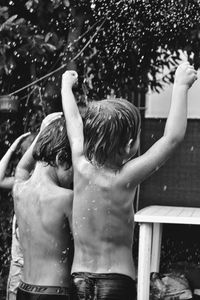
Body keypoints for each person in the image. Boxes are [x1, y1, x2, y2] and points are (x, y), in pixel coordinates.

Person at [61, 62, 197, 300]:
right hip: (116, 282)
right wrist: (180, 86)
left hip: (78, 280)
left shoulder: (80, 164)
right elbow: (172, 139)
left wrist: (65, 88)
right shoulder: (124, 177)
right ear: (127, 146)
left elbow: (74, 123)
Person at [13, 113, 76, 300]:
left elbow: (22, 168)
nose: (74, 176)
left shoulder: (19, 190)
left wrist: (44, 133)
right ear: (61, 159)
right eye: (73, 167)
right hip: (56, 292)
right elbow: (84, 252)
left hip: (24, 290)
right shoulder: (66, 198)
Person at [0, 132, 34, 300]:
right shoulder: (20, 182)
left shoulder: (46, 183)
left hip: (31, 264)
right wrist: (13, 147)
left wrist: (13, 146)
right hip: (19, 263)